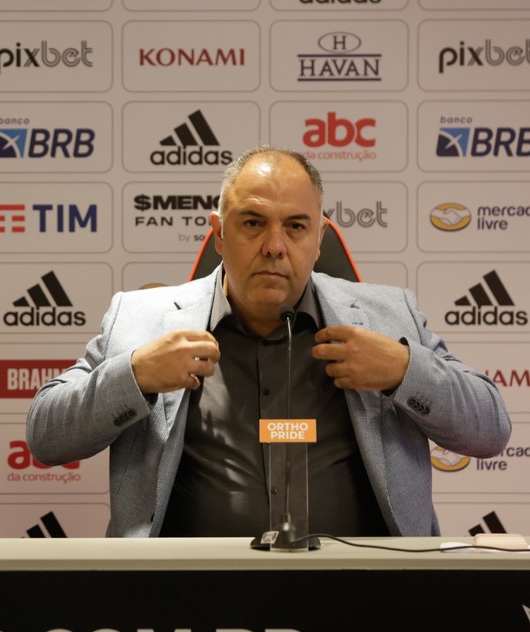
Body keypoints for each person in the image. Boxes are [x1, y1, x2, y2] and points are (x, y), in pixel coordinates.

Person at [27, 146, 511, 538]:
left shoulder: (389, 316)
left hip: (365, 600)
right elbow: (46, 437)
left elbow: (490, 430)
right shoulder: (141, 319)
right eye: (253, 223)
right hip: (186, 598)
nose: (275, 245)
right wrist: (131, 376)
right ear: (218, 234)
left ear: (319, 239)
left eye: (296, 226)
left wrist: (407, 371)